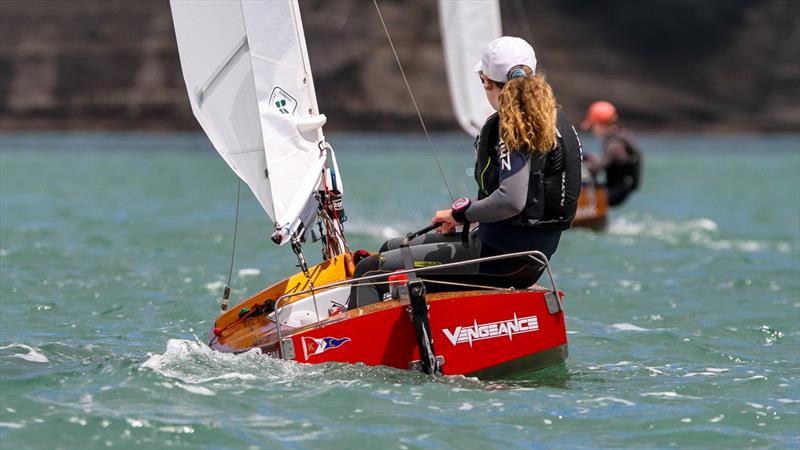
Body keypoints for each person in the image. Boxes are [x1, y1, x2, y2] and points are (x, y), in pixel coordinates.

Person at [349, 36, 582, 309]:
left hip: (499, 258)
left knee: (369, 270)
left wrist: (460, 213)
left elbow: (511, 200)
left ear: (488, 82)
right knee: (392, 247)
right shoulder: (555, 121)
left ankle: (345, 348)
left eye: (483, 83)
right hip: (526, 257)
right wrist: (465, 219)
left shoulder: (514, 126)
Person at [581, 101, 642, 207]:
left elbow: (597, 169)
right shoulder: (621, 135)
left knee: (581, 183)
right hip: (622, 188)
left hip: (615, 193)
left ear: (599, 124)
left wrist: (583, 165)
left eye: (592, 126)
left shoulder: (614, 145)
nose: (592, 130)